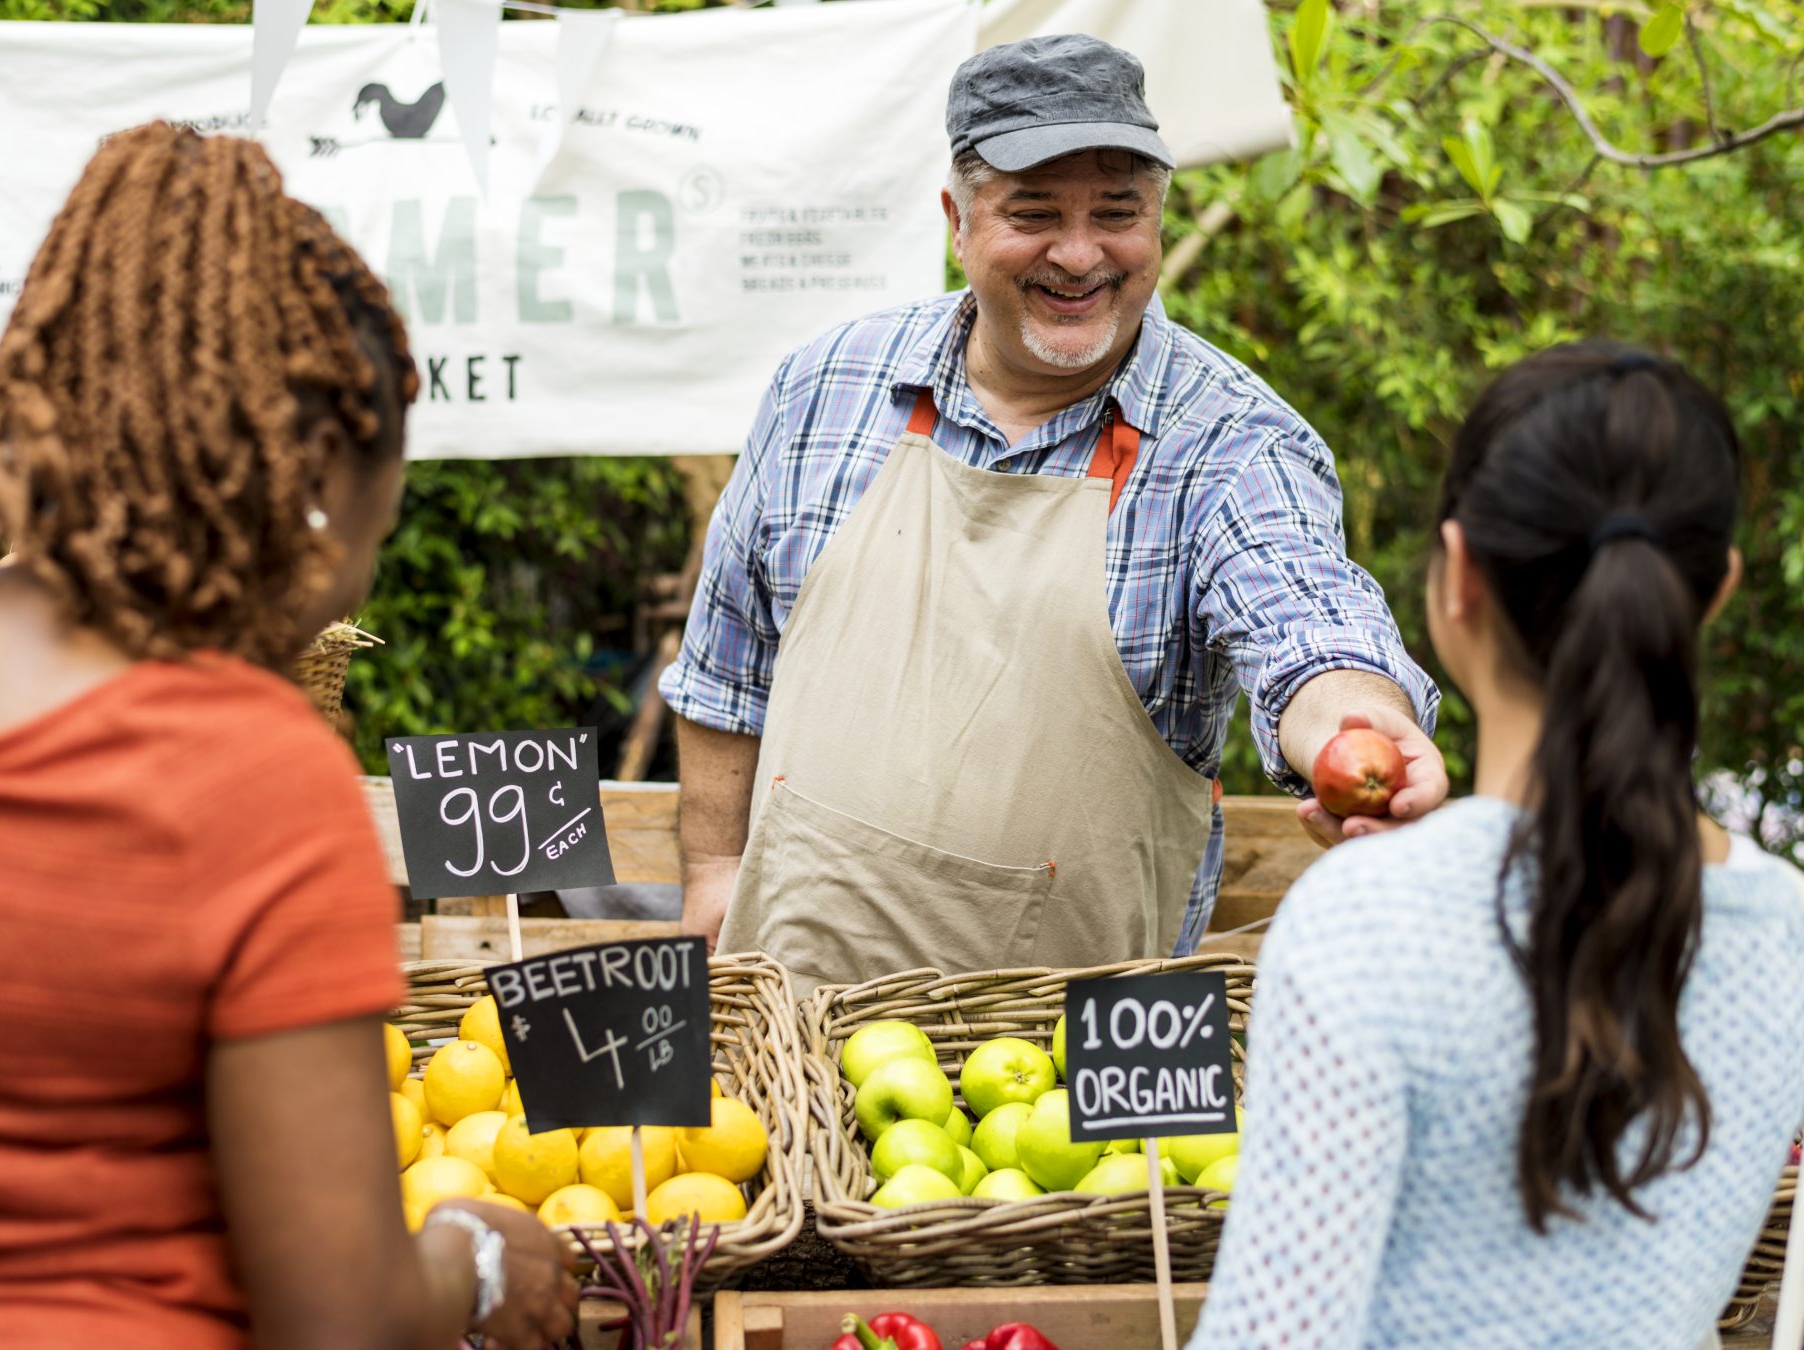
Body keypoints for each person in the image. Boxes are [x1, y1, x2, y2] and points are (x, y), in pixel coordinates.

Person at [0, 124, 576, 1349]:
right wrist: (476, 1260)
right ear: (312, 474)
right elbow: (341, 1319)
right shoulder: (247, 774)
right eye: (373, 525)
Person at [660, 34, 1445, 994]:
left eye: (1117, 214)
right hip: (788, 1018)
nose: (1079, 256)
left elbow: (1306, 617)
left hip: (1077, 1084)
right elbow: (726, 669)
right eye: (1034, 215)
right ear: (957, 218)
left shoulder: (1231, 444)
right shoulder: (827, 386)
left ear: (1158, 218)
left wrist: (1355, 721)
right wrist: (711, 871)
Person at [1191, 343, 1804, 1348]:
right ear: (1720, 589)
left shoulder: (1365, 926)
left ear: (1456, 575)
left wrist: (1398, 894)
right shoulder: (1785, 929)